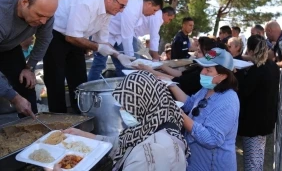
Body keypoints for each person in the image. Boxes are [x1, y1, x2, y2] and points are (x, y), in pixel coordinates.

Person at [52, 71, 189, 170]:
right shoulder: (154, 124)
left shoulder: (151, 151)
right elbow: (122, 143)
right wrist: (86, 136)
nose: (122, 109)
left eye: (126, 106)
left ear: (142, 104)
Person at [43, 0, 131, 113]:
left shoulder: (107, 14)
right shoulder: (87, 4)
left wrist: (118, 55)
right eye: (122, 5)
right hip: (55, 34)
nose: (122, 10)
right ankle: (58, 120)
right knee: (56, 80)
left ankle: (80, 115)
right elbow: (71, 37)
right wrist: (98, 47)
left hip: (77, 38)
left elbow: (103, 41)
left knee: (79, 80)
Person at [168, 48, 239, 170]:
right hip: (195, 162)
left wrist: (179, 114)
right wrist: (171, 85)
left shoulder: (228, 101)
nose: (202, 73)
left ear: (222, 76)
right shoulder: (207, 89)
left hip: (213, 165)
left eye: (208, 70)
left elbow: (211, 139)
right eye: (203, 68)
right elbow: (190, 103)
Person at [0, 0, 58, 117]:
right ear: (24, 2)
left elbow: (44, 39)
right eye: (40, 16)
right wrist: (14, 97)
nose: (44, 22)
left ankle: (32, 130)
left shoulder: (45, 12)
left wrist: (29, 67)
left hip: (8, 46)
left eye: (47, 18)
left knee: (26, 83)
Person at [87, 0, 164, 80]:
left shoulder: (139, 10)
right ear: (149, 4)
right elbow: (127, 37)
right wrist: (132, 60)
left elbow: (131, 34)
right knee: (99, 64)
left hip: (117, 37)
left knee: (123, 68)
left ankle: (124, 90)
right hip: (103, 33)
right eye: (154, 10)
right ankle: (89, 91)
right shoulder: (132, 9)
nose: (153, 14)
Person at [237, 35, 280, 170]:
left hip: (253, 123)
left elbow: (244, 91)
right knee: (257, 156)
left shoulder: (257, 70)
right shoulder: (272, 66)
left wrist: (237, 74)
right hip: (265, 120)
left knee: (252, 160)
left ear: (250, 51)